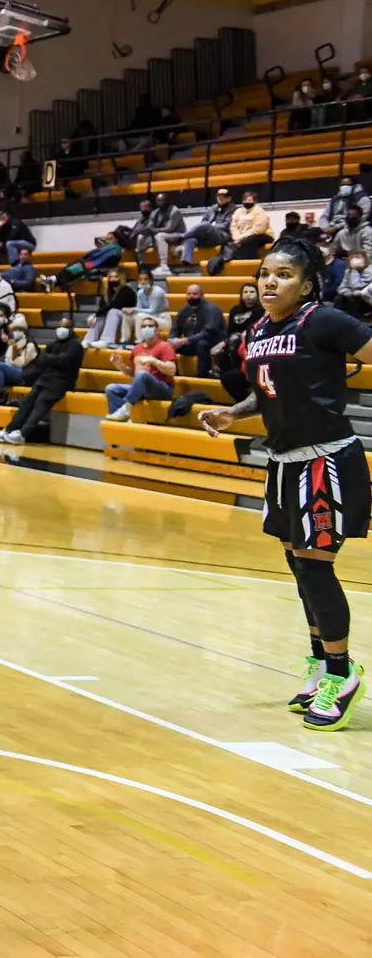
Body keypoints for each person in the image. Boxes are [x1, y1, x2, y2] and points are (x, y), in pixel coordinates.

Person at [202, 235, 372, 730]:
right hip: (283, 462)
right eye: (264, 274)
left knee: (316, 569)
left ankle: (342, 673)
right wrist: (232, 414)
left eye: (283, 275)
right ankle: (321, 663)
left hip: (326, 461)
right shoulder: (258, 329)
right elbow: (265, 393)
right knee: (300, 569)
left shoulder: (324, 320)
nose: (270, 282)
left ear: (307, 284)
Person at [0, 317, 83, 443]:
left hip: (61, 382)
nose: (62, 329)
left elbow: (63, 360)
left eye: (65, 327)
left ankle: (22, 434)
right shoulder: (54, 343)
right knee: (26, 403)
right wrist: (53, 359)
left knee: (40, 404)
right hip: (45, 378)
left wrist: (50, 358)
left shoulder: (76, 346)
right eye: (60, 326)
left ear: (72, 329)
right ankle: (9, 429)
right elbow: (42, 359)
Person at [104, 313, 176, 421]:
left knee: (142, 375)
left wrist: (154, 361)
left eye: (150, 326)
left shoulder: (165, 346)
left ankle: (126, 409)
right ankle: (120, 420)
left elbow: (172, 370)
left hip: (162, 388)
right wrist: (120, 365)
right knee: (111, 388)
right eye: (143, 326)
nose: (146, 328)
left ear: (157, 330)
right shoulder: (137, 348)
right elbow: (133, 374)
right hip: (141, 387)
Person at [213, 282, 263, 400]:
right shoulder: (235, 310)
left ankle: (236, 370)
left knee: (235, 340)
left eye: (252, 292)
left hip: (250, 341)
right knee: (216, 350)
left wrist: (244, 335)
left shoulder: (261, 310)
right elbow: (229, 331)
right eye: (245, 292)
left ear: (257, 294)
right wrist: (222, 343)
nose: (248, 295)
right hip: (233, 340)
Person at [169, 283, 227, 378]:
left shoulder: (212, 309)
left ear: (202, 295)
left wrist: (185, 340)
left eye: (195, 294)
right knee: (169, 345)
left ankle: (202, 376)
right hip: (191, 343)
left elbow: (208, 333)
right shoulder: (183, 310)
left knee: (202, 344)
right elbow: (175, 329)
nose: (191, 297)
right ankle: (173, 375)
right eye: (189, 294)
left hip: (213, 343)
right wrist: (171, 339)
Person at [0, 314, 37, 404]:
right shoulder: (13, 342)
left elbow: (20, 363)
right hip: (12, 370)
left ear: (25, 330)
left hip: (24, 374)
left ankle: (1, 395)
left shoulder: (30, 344)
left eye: (20, 329)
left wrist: (13, 352)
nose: (17, 332)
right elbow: (6, 358)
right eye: (15, 329)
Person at [83, 269, 136, 348]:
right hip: (113, 319)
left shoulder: (127, 290)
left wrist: (95, 315)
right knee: (101, 315)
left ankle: (107, 340)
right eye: (111, 277)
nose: (113, 279)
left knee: (112, 311)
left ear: (121, 278)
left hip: (127, 320)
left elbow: (115, 305)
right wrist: (95, 316)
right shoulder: (108, 292)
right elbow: (102, 308)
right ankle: (88, 340)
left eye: (116, 277)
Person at [222, 192, 274, 264]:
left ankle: (251, 262)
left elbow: (258, 229)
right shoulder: (238, 211)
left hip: (262, 235)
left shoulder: (260, 212)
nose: (247, 202)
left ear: (255, 201)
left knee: (250, 240)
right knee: (226, 239)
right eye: (245, 200)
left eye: (249, 200)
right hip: (240, 236)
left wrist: (241, 238)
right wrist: (236, 237)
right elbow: (233, 226)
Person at [338, 252, 372, 320]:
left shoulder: (369, 270)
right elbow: (341, 288)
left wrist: (354, 270)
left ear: (365, 259)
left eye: (358, 257)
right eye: (352, 258)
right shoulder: (348, 271)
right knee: (338, 298)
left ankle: (357, 321)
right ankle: (339, 319)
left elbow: (356, 286)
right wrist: (351, 293)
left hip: (366, 299)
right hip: (353, 295)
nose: (355, 260)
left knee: (352, 300)